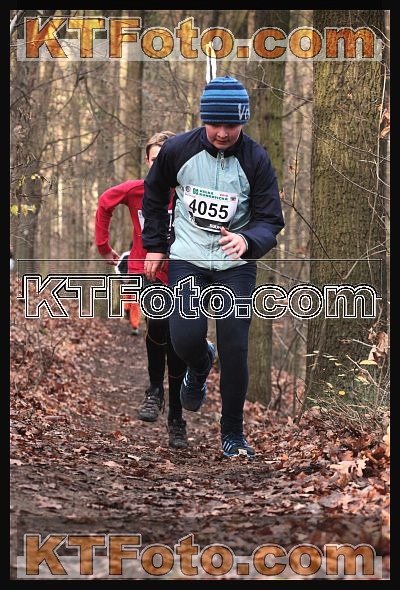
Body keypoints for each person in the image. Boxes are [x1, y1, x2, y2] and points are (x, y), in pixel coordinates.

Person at [142, 76, 285, 458]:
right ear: (203, 119)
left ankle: (233, 434)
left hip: (234, 263)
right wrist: (155, 245)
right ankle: (201, 361)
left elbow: (271, 219)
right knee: (184, 337)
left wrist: (248, 240)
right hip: (188, 256)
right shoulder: (178, 149)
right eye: (215, 124)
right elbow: (153, 193)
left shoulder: (255, 159)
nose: (222, 133)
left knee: (235, 346)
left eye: (231, 125)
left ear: (243, 121)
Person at [95, 131, 188, 449]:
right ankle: (155, 391)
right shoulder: (138, 190)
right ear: (147, 162)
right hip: (146, 270)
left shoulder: (189, 193)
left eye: (165, 158)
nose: (159, 164)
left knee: (179, 341)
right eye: (154, 159)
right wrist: (103, 246)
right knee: (159, 326)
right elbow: (105, 202)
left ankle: (176, 416)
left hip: (184, 272)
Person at [115, 241, 141, 335]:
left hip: (136, 286)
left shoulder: (141, 256)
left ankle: (135, 327)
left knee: (135, 304)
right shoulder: (125, 255)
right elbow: (117, 268)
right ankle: (126, 311)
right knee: (126, 304)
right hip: (125, 285)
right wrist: (122, 278)